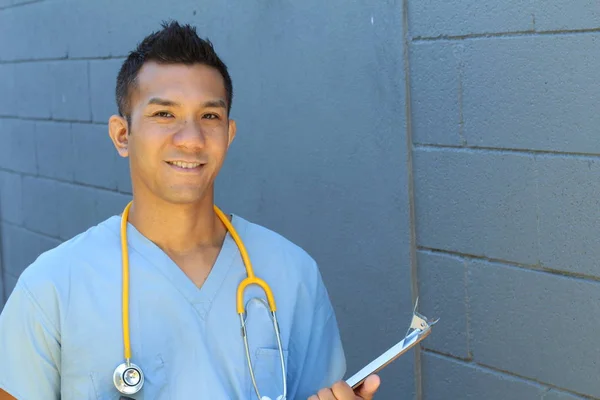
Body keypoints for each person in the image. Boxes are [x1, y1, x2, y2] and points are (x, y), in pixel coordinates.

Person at [0, 21, 380, 399]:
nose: (191, 139)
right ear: (122, 135)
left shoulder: (292, 274)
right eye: (164, 114)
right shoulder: (51, 288)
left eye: (209, 116)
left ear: (228, 135)